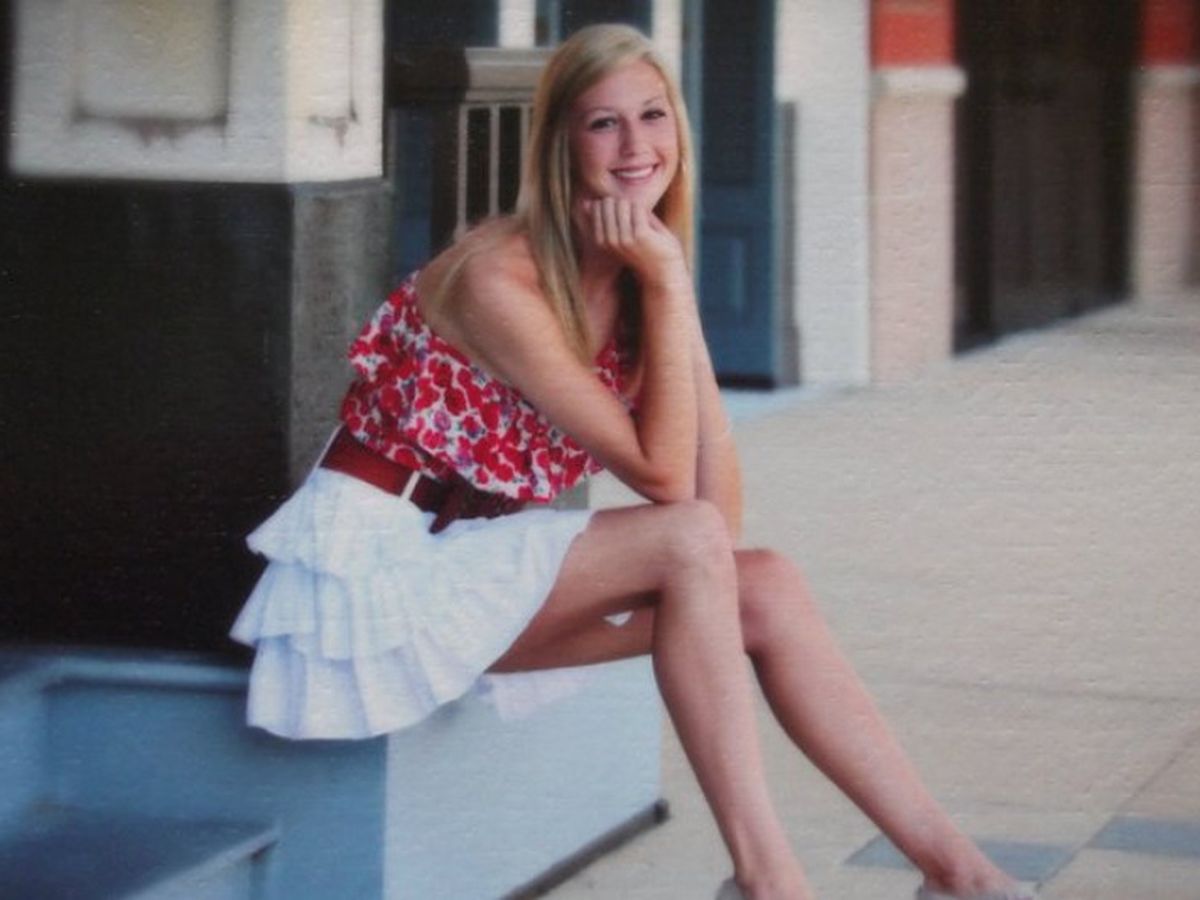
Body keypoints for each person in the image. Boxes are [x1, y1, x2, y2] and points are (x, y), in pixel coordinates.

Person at [231, 23, 1036, 900]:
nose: (635, 146)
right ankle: (769, 882)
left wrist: (666, 290)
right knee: (691, 545)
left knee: (765, 584)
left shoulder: (632, 272)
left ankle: (955, 873)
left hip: (465, 563)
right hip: (377, 577)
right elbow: (667, 487)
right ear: (560, 145)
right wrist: (669, 281)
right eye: (602, 123)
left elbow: (716, 521)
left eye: (652, 116)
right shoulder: (500, 279)